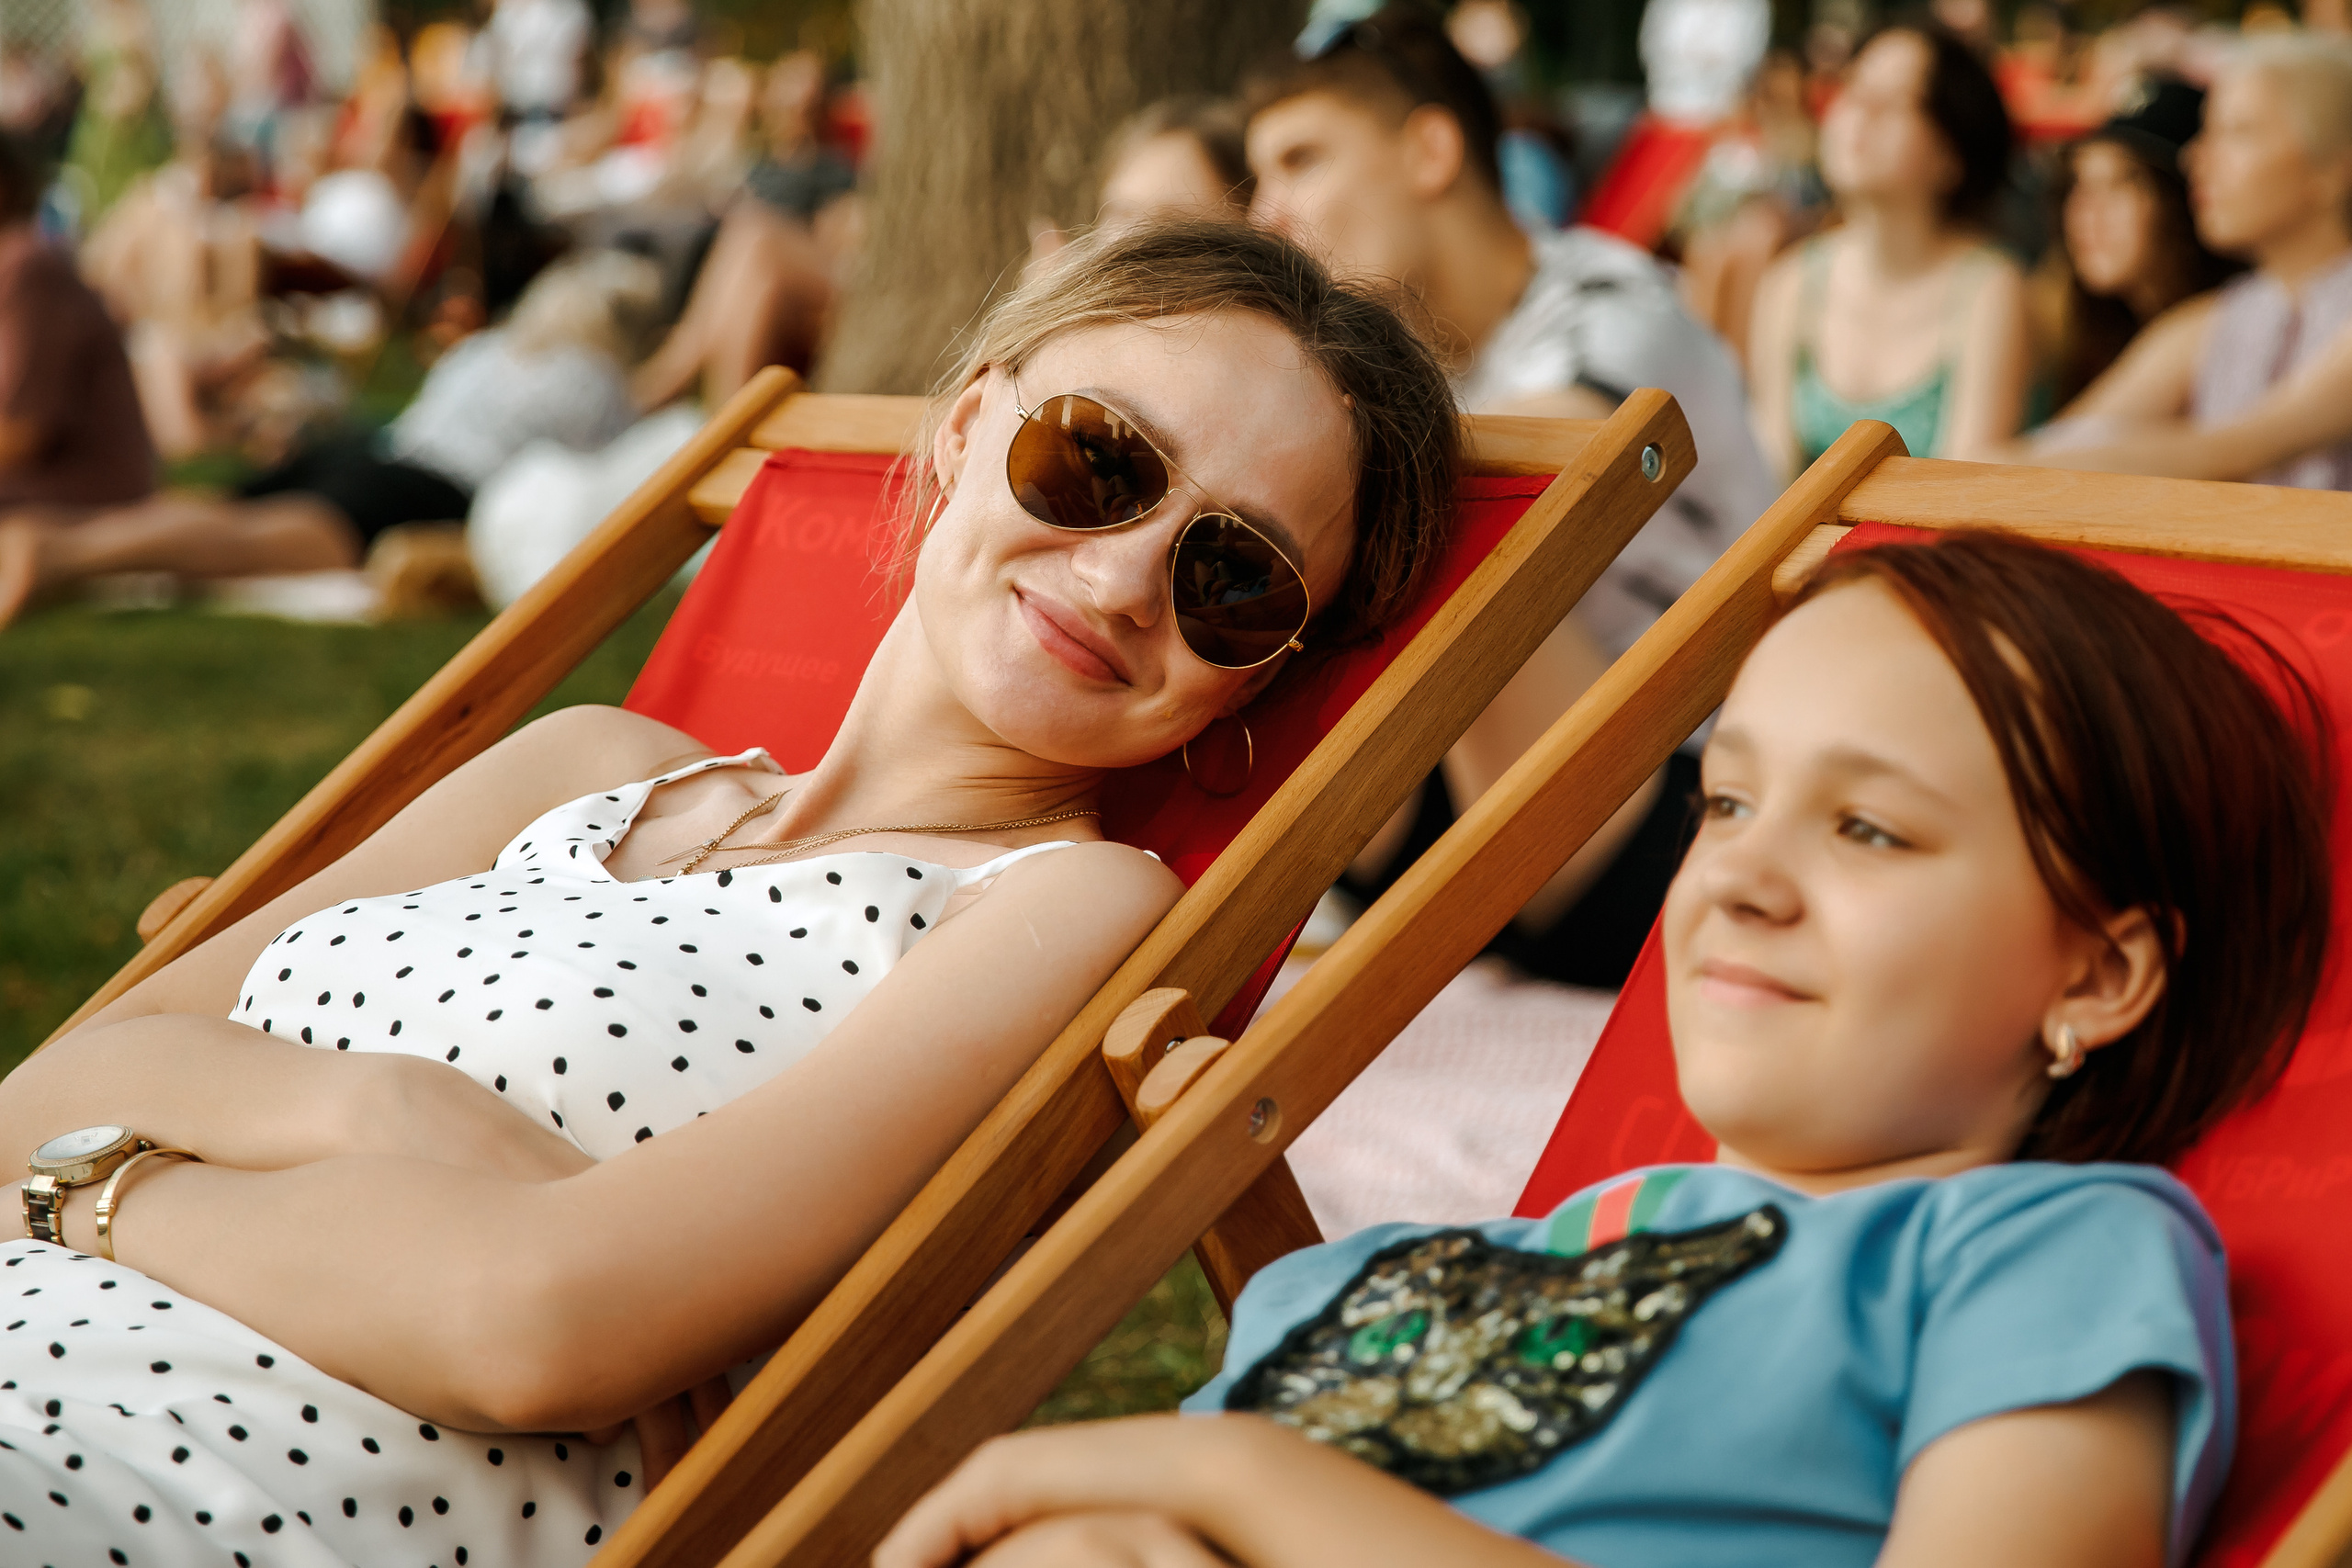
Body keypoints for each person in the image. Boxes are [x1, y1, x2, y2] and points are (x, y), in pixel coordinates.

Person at [0, 219, 1464, 1564]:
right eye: (1096, 461)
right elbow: (40, 1083)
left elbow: (539, 1320)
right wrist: (369, 1114)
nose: (1129, 576)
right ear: (965, 430)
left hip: (178, 1490)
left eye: (1237, 580)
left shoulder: (1063, 907)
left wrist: (106, 1186)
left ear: (1263, 671)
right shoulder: (586, 761)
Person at [876, 528, 2332, 1568]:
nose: (1740, 881)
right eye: (1729, 803)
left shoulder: (2040, 1255)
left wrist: (1234, 1473)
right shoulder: (1434, 1269)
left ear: (2102, 971)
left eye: (1870, 827)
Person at [1246, 6, 1776, 989]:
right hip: (1484, 817)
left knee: (1455, 523)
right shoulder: (1418, 365)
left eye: (1301, 159)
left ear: (1431, 149)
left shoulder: (1618, 307)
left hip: (1685, 815)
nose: (1265, 212)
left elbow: (1519, 488)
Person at [0, 248, 660, 628]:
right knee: (248, 543)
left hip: (369, 448)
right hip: (425, 487)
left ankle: (55, 530)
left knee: (220, 510)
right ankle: (64, 556)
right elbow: (611, 474)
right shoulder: (595, 378)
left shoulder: (487, 349)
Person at [2015, 36, 2352, 489]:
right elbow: (2049, 448)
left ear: (2335, 167)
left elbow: (2238, 447)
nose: (2195, 157)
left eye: (2238, 131)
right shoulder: (2217, 318)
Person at [1747, 19, 2031, 477]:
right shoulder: (1791, 281)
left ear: (1952, 154)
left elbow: (1966, 488)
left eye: (1896, 100)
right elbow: (1770, 478)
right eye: (1854, 88)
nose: (1861, 112)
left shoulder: (1991, 288)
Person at [2044, 75, 2241, 408]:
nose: (2089, 213)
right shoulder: (2063, 318)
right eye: (2080, 184)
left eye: (2121, 183)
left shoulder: (2235, 328)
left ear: (2185, 200)